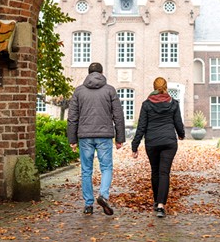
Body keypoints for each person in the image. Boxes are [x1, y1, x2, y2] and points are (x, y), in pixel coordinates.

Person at [67, 62, 126, 216]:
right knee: (106, 167)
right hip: (104, 136)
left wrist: (72, 139)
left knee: (86, 170)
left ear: (88, 73)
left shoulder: (79, 91)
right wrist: (119, 138)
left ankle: (88, 205)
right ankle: (103, 195)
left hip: (85, 136)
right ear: (101, 73)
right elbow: (118, 116)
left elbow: (72, 117)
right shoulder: (110, 90)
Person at [131, 77, 185, 218]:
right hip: (169, 142)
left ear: (153, 87)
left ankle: (156, 201)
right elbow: (178, 122)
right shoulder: (173, 103)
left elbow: (141, 127)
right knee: (164, 173)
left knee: (155, 171)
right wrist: (181, 134)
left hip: (152, 142)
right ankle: (161, 205)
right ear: (166, 87)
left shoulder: (147, 104)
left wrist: (134, 145)